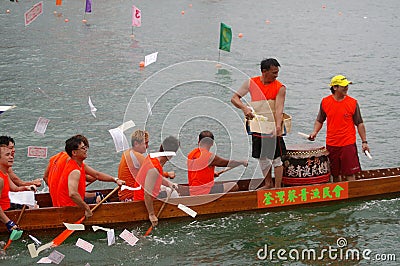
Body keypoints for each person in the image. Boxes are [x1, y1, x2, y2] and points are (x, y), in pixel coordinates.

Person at [231, 58, 287, 189]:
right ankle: (268, 183)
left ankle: (278, 187)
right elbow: (234, 98)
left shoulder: (280, 88)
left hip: (272, 125)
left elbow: (279, 109)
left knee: (276, 159)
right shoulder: (251, 83)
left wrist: (278, 126)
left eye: (277, 72)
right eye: (273, 72)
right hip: (257, 125)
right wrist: (244, 108)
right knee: (262, 157)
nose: (276, 75)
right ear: (264, 71)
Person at [308, 75, 370, 182]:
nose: (346, 88)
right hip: (332, 144)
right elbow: (319, 120)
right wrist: (314, 132)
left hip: (348, 143)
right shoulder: (325, 102)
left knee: (350, 173)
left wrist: (364, 142)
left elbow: (359, 123)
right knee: (335, 174)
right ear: (335, 87)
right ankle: (339, 195)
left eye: (347, 86)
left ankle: (352, 195)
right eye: (343, 86)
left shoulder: (353, 103)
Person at [55, 135, 125, 217]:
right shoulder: (75, 171)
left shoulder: (80, 165)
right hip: (69, 208)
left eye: (85, 148)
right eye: (83, 148)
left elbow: (97, 175)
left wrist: (115, 180)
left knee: (101, 197)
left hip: (74, 203)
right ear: (74, 153)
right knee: (102, 199)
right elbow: (73, 194)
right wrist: (87, 208)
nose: (86, 150)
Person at [133, 136, 179, 227]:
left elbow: (156, 177)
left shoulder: (152, 157)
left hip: (143, 194)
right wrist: (151, 214)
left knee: (170, 190)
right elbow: (147, 193)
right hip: (142, 200)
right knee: (175, 196)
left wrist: (169, 183)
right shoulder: (154, 167)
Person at [118, 130, 176, 201]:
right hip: (131, 197)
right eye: (145, 143)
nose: (147, 146)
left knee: (162, 188)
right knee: (171, 192)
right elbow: (154, 173)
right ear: (136, 144)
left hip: (125, 195)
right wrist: (167, 174)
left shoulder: (127, 153)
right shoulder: (137, 156)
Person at [187, 130, 247, 196]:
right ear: (212, 143)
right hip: (204, 191)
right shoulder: (209, 157)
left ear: (199, 142)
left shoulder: (191, 154)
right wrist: (241, 162)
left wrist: (212, 174)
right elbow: (228, 163)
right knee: (233, 186)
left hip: (193, 191)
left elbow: (197, 172)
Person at [0, 145, 36, 233]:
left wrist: (27, 188)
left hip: (8, 207)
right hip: (4, 213)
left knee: (35, 206)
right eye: (7, 155)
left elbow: (15, 188)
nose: (11, 157)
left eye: (11, 154)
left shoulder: (5, 173)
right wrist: (8, 222)